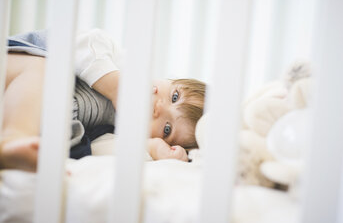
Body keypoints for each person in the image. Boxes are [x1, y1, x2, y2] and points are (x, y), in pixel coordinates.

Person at [0, 29, 206, 172]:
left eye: (167, 129)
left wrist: (150, 147)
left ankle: (14, 147)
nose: (158, 107)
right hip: (12, 72)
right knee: (44, 69)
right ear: (170, 79)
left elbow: (98, 153)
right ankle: (13, 139)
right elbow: (82, 43)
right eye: (174, 96)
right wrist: (116, 86)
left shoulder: (117, 133)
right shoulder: (122, 64)